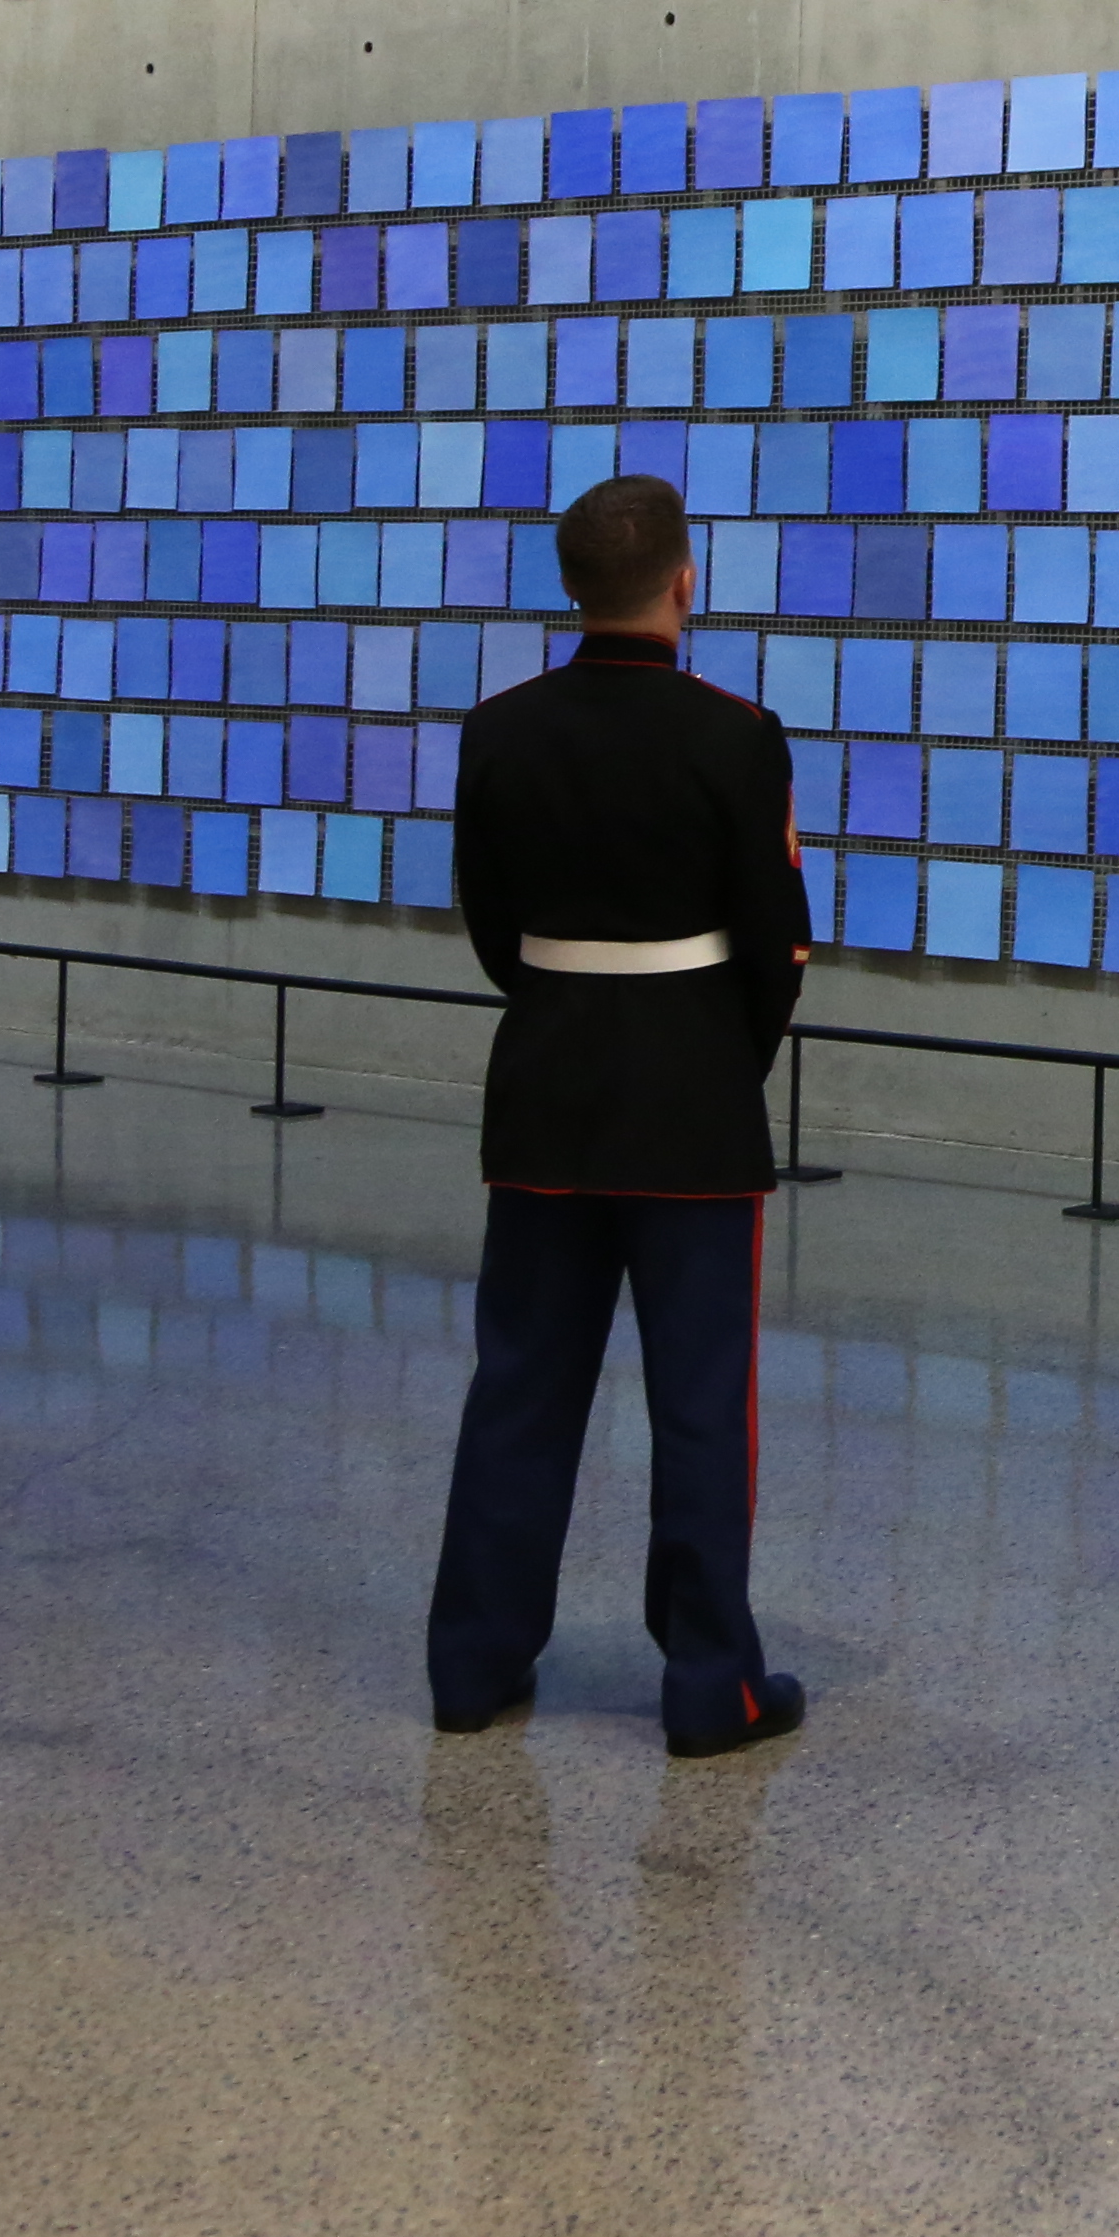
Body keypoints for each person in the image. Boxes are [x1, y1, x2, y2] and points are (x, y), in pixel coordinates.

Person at [423, 472, 814, 1755]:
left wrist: (564, 1015)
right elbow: (775, 949)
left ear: (571, 585)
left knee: (521, 1386)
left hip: (544, 1086)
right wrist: (715, 1056)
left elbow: (493, 928)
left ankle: (473, 1668)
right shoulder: (737, 735)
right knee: (702, 1405)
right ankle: (713, 1688)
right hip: (694, 1102)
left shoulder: (500, 730)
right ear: (685, 581)